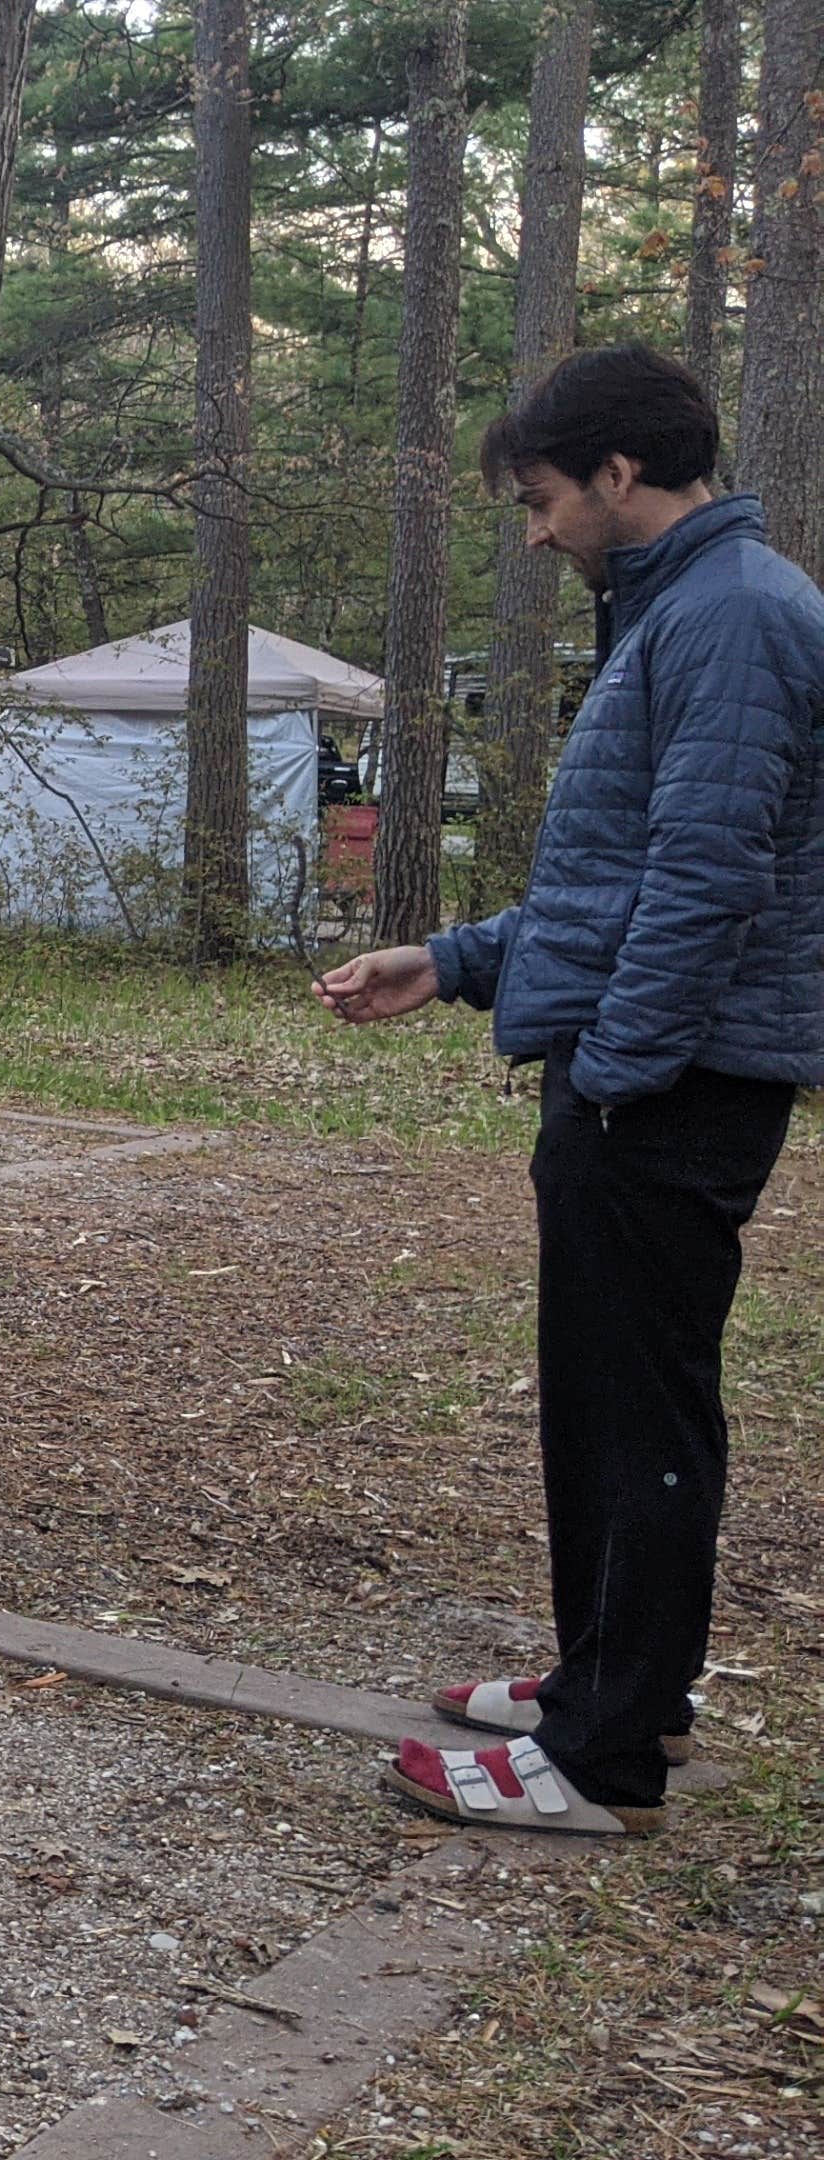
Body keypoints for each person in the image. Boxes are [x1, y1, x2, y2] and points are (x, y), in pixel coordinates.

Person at [317, 343, 824, 1835]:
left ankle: (601, 1761)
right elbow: (612, 885)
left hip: (671, 1084)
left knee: (639, 1413)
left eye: (542, 498)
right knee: (608, 1403)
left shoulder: (732, 616)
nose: (534, 531)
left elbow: (705, 882)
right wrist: (459, 960)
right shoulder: (684, 612)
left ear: (618, 474)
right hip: (649, 1067)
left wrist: (616, 1069)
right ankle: (610, 1687)